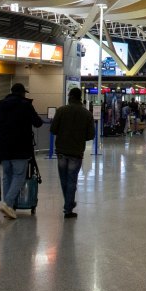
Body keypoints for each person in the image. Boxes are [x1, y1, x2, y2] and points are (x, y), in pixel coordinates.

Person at [0, 83, 44, 218]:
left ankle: (9, 207)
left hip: (4, 146)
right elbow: (38, 122)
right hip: (21, 146)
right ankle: (8, 203)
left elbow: (0, 121)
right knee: (19, 176)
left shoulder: (1, 104)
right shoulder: (26, 105)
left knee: (7, 176)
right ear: (22, 93)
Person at [49, 87, 94, 218]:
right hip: (76, 151)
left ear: (71, 97)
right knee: (72, 180)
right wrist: (79, 137)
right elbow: (91, 135)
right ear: (80, 98)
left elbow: (53, 129)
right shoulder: (87, 114)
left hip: (61, 151)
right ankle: (68, 207)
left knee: (64, 179)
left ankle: (68, 204)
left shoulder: (61, 110)